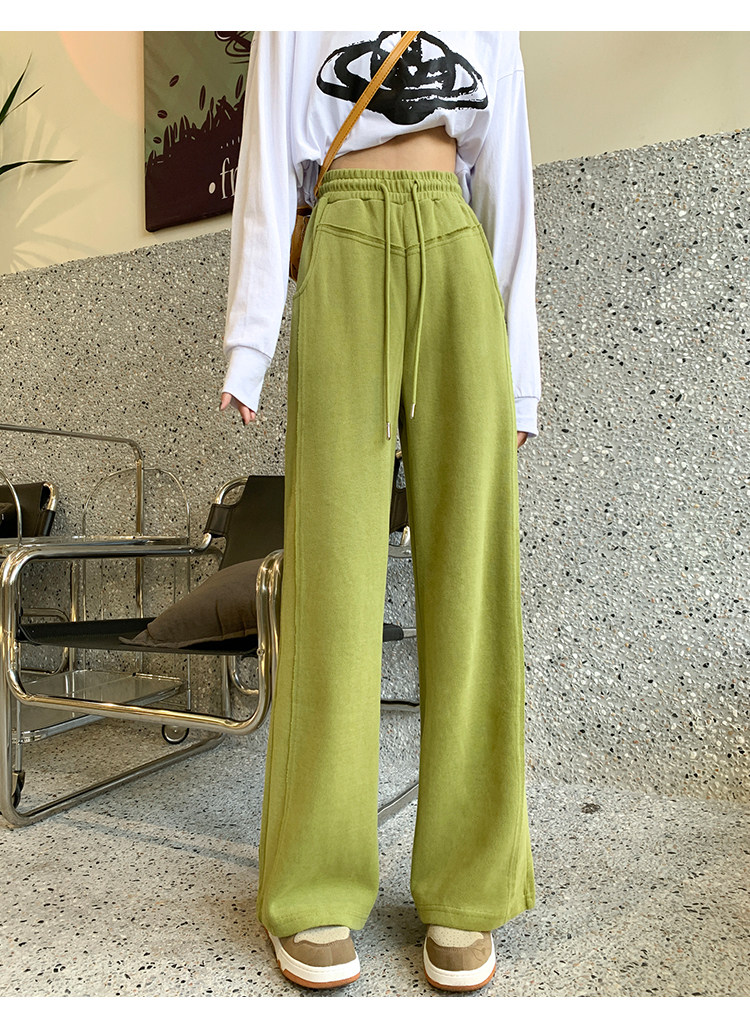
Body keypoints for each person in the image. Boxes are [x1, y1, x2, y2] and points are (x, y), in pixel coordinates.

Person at [219, 30, 541, 993]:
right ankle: (314, 884)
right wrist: (249, 344)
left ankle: (467, 887)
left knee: (471, 573)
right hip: (345, 233)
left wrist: (520, 374)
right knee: (332, 579)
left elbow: (507, 176)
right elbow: (268, 164)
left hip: (454, 239)